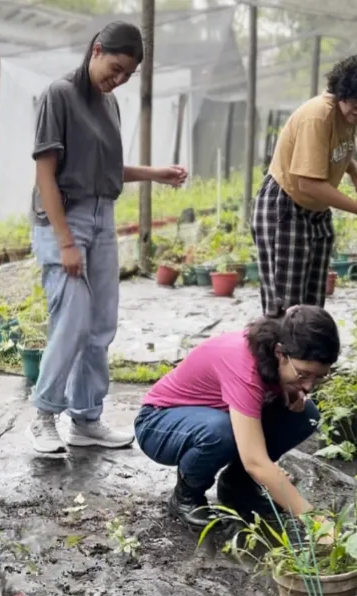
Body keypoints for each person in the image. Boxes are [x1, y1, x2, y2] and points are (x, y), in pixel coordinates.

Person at [27, 21, 188, 455]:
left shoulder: (109, 104)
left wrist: (155, 173)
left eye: (127, 75)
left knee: (100, 325)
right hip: (64, 219)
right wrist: (65, 241)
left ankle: (86, 419)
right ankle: (44, 414)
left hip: (102, 217)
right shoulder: (59, 95)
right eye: (115, 68)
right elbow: (45, 174)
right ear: (96, 50)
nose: (118, 79)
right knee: (73, 317)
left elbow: (104, 170)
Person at [134, 305, 340, 529]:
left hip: (212, 416)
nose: (309, 386)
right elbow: (255, 461)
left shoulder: (274, 354)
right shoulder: (244, 366)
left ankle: (237, 487)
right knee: (220, 431)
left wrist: (290, 390)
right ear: (280, 353)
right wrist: (315, 522)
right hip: (158, 423)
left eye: (319, 377)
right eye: (303, 374)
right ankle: (186, 497)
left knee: (305, 415)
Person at [252, 54, 357, 315]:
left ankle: (306, 344)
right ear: (344, 89)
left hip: (314, 211)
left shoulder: (346, 116)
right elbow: (308, 183)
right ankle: (279, 343)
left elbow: (328, 149)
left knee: (311, 305)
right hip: (286, 206)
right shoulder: (318, 115)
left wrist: (352, 169)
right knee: (286, 307)